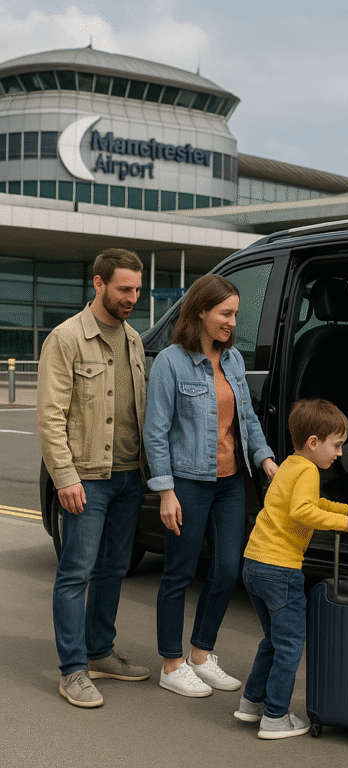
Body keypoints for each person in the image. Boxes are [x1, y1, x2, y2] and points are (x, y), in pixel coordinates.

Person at [143, 274, 279, 698]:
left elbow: (248, 420)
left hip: (230, 481)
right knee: (179, 573)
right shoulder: (170, 361)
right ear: (201, 311)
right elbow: (156, 430)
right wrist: (166, 491)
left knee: (225, 571)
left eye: (235, 315)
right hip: (187, 482)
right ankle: (171, 663)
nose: (232, 323)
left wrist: (265, 458)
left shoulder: (233, 360)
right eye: (225, 314)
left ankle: (201, 655)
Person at [38, 248, 150, 708]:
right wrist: (65, 478)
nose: (132, 298)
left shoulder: (135, 340)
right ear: (99, 284)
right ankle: (72, 670)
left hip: (128, 477)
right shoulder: (66, 339)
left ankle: (100, 652)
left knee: (113, 570)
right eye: (124, 289)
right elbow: (49, 417)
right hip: (87, 478)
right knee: (75, 574)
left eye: (138, 290)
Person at [234, 398, 348, 739]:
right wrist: (343, 523)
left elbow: (313, 503)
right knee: (290, 643)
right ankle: (275, 717)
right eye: (337, 445)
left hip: (254, 563)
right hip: (281, 570)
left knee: (272, 640)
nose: (340, 454)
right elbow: (303, 511)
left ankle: (252, 703)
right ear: (314, 443)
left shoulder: (290, 466)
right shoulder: (310, 471)